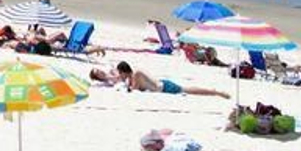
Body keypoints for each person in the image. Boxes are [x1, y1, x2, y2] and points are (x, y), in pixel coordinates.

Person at [96, 61, 231, 98]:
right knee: (188, 89)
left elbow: (134, 90)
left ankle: (215, 92)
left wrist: (124, 85)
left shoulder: (135, 74)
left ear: (124, 72)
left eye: (121, 74)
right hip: (162, 86)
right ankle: (214, 92)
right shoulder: (131, 75)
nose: (121, 76)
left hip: (165, 87)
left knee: (189, 90)